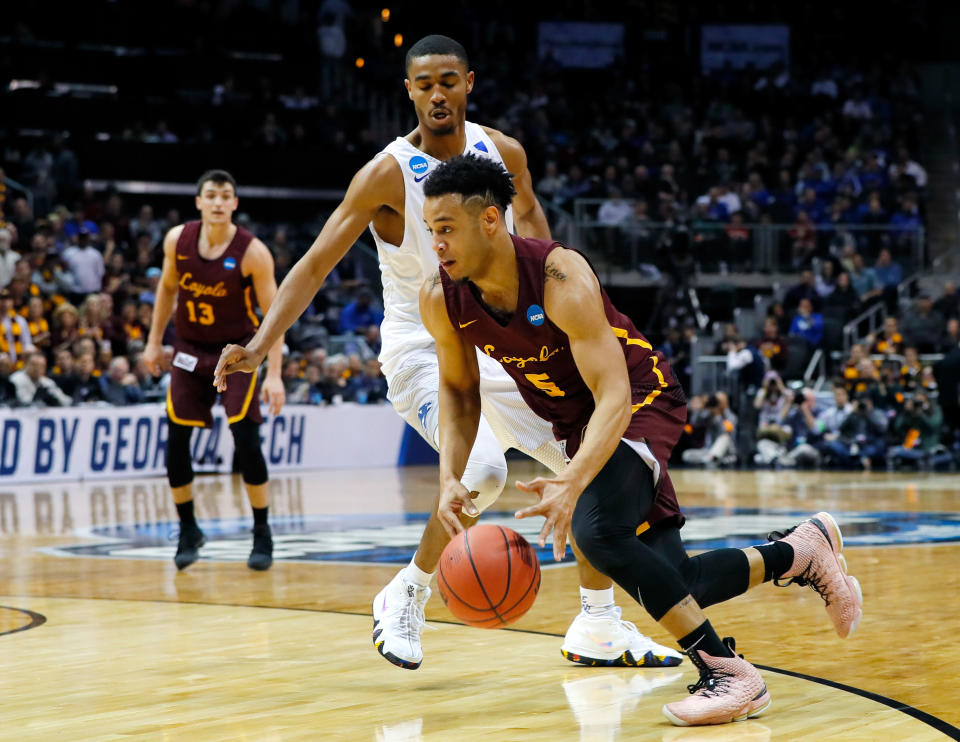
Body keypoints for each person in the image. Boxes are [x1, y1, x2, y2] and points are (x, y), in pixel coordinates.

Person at [213, 35, 676, 671]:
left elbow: (537, 235)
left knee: (589, 456)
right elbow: (318, 260)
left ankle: (598, 622)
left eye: (449, 81)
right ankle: (406, 592)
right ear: (409, 91)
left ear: (468, 83)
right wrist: (263, 344)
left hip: (501, 339)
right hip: (422, 349)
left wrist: (554, 317)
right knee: (481, 475)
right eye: (425, 83)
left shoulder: (503, 153)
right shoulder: (386, 173)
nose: (438, 93)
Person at [421, 154, 863, 726]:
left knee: (596, 533)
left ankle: (728, 674)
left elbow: (614, 396)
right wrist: (449, 477)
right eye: (431, 230)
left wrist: (573, 481)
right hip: (581, 425)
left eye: (446, 228)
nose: (436, 244)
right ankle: (800, 551)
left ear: (488, 221)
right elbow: (459, 393)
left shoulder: (560, 277)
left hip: (640, 399)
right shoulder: (442, 296)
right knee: (675, 584)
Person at [143, 169, 286, 571]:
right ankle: (188, 529)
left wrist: (274, 374)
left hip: (236, 353)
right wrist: (154, 341)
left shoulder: (253, 252)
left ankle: (262, 531)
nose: (219, 202)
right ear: (199, 202)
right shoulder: (178, 240)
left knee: (246, 439)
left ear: (235, 204)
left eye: (226, 196)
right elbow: (167, 288)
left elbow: (274, 315)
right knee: (175, 441)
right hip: (188, 350)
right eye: (212, 195)